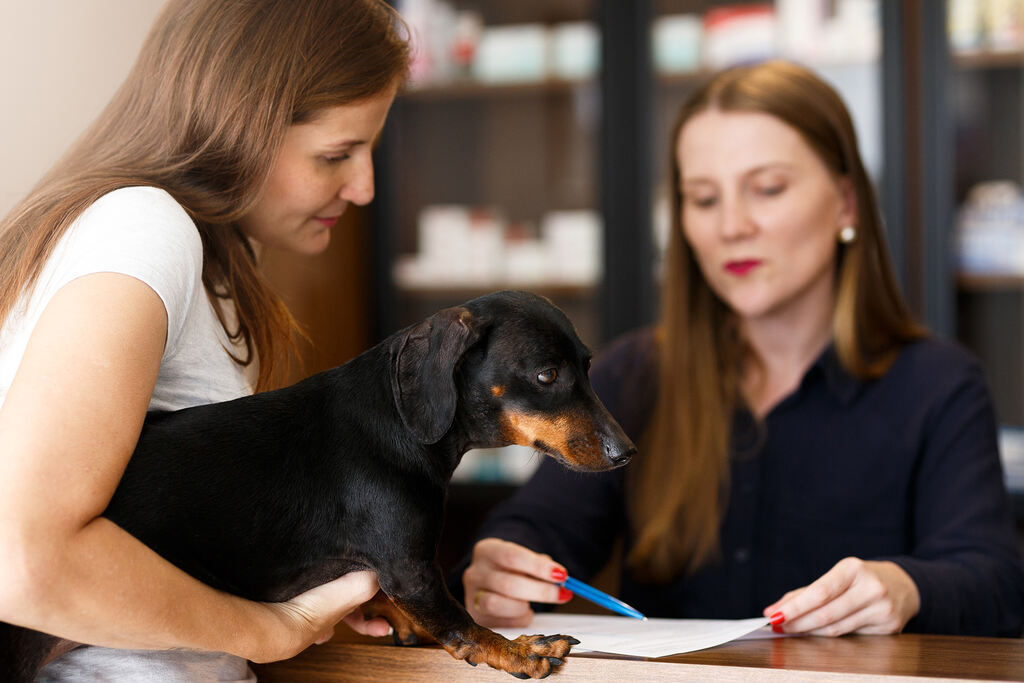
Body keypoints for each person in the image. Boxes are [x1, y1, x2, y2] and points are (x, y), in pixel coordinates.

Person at [454, 60, 1024, 638]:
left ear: (847, 204)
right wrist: (503, 567)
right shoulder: (636, 375)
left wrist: (907, 588)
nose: (731, 226)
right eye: (703, 199)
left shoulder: (938, 385)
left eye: (768, 189)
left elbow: (994, 581)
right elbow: (538, 529)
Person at [0, 0, 409, 679]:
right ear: (237, 127)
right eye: (336, 154)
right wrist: (271, 628)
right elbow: (25, 558)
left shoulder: (200, 260)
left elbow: (149, 540)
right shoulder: (143, 227)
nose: (364, 188)